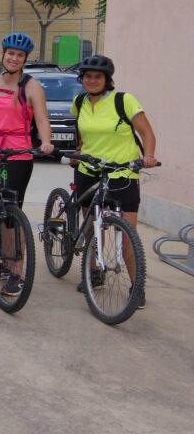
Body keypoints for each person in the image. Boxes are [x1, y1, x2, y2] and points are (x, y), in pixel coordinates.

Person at [70, 55, 158, 307]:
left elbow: (147, 133)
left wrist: (148, 155)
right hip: (89, 170)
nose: (92, 80)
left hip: (122, 174)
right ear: (82, 79)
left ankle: (137, 286)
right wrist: (78, 151)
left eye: (98, 76)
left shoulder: (124, 100)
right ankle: (94, 272)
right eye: (88, 76)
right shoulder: (79, 102)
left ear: (107, 79)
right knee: (91, 225)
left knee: (128, 235)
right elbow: (82, 132)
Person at [0, 32, 54, 297]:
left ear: (25, 59)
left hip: (18, 152)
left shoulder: (31, 87)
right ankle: (4, 262)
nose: (14, 58)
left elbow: (42, 119)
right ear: (3, 54)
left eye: (19, 55)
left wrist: (46, 141)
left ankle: (16, 271)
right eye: (11, 53)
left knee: (11, 211)